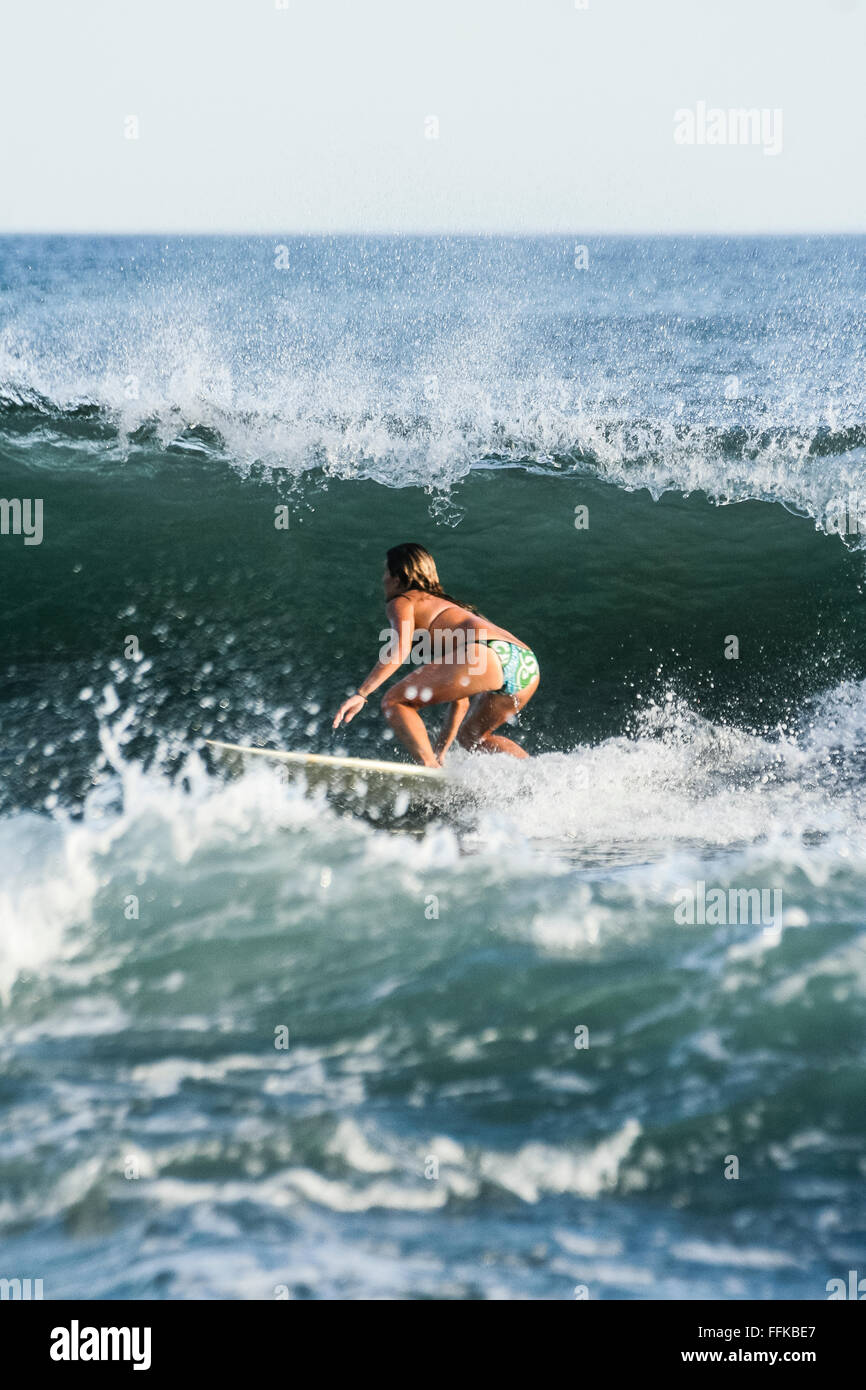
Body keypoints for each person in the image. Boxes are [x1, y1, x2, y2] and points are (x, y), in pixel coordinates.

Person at [332, 542, 540, 767]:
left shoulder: (403, 600)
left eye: (385, 572)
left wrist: (363, 694)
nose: (383, 579)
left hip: (487, 651)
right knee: (473, 738)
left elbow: (400, 647)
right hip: (525, 662)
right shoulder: (445, 607)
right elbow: (460, 702)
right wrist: (440, 754)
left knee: (394, 701)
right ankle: (534, 773)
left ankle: (427, 766)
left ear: (397, 578)